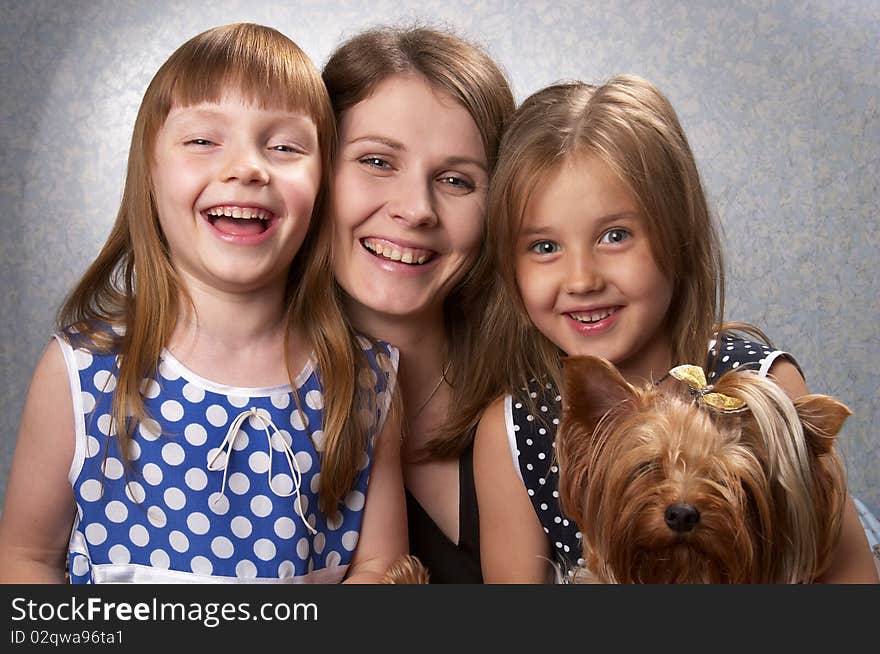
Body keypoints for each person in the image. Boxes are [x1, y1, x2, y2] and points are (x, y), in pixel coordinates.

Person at [0, 23, 406, 584]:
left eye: (285, 146)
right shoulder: (83, 371)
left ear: (323, 186)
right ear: (151, 170)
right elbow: (25, 562)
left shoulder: (364, 379)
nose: (247, 168)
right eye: (202, 141)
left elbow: (382, 569)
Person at [472, 75, 879, 583]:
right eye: (544, 246)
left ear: (678, 232)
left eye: (615, 235)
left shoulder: (761, 382)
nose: (581, 279)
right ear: (508, 265)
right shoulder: (515, 430)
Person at [320, 26, 515, 582]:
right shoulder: (244, 406)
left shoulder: (546, 393)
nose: (416, 209)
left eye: (456, 180)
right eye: (378, 161)